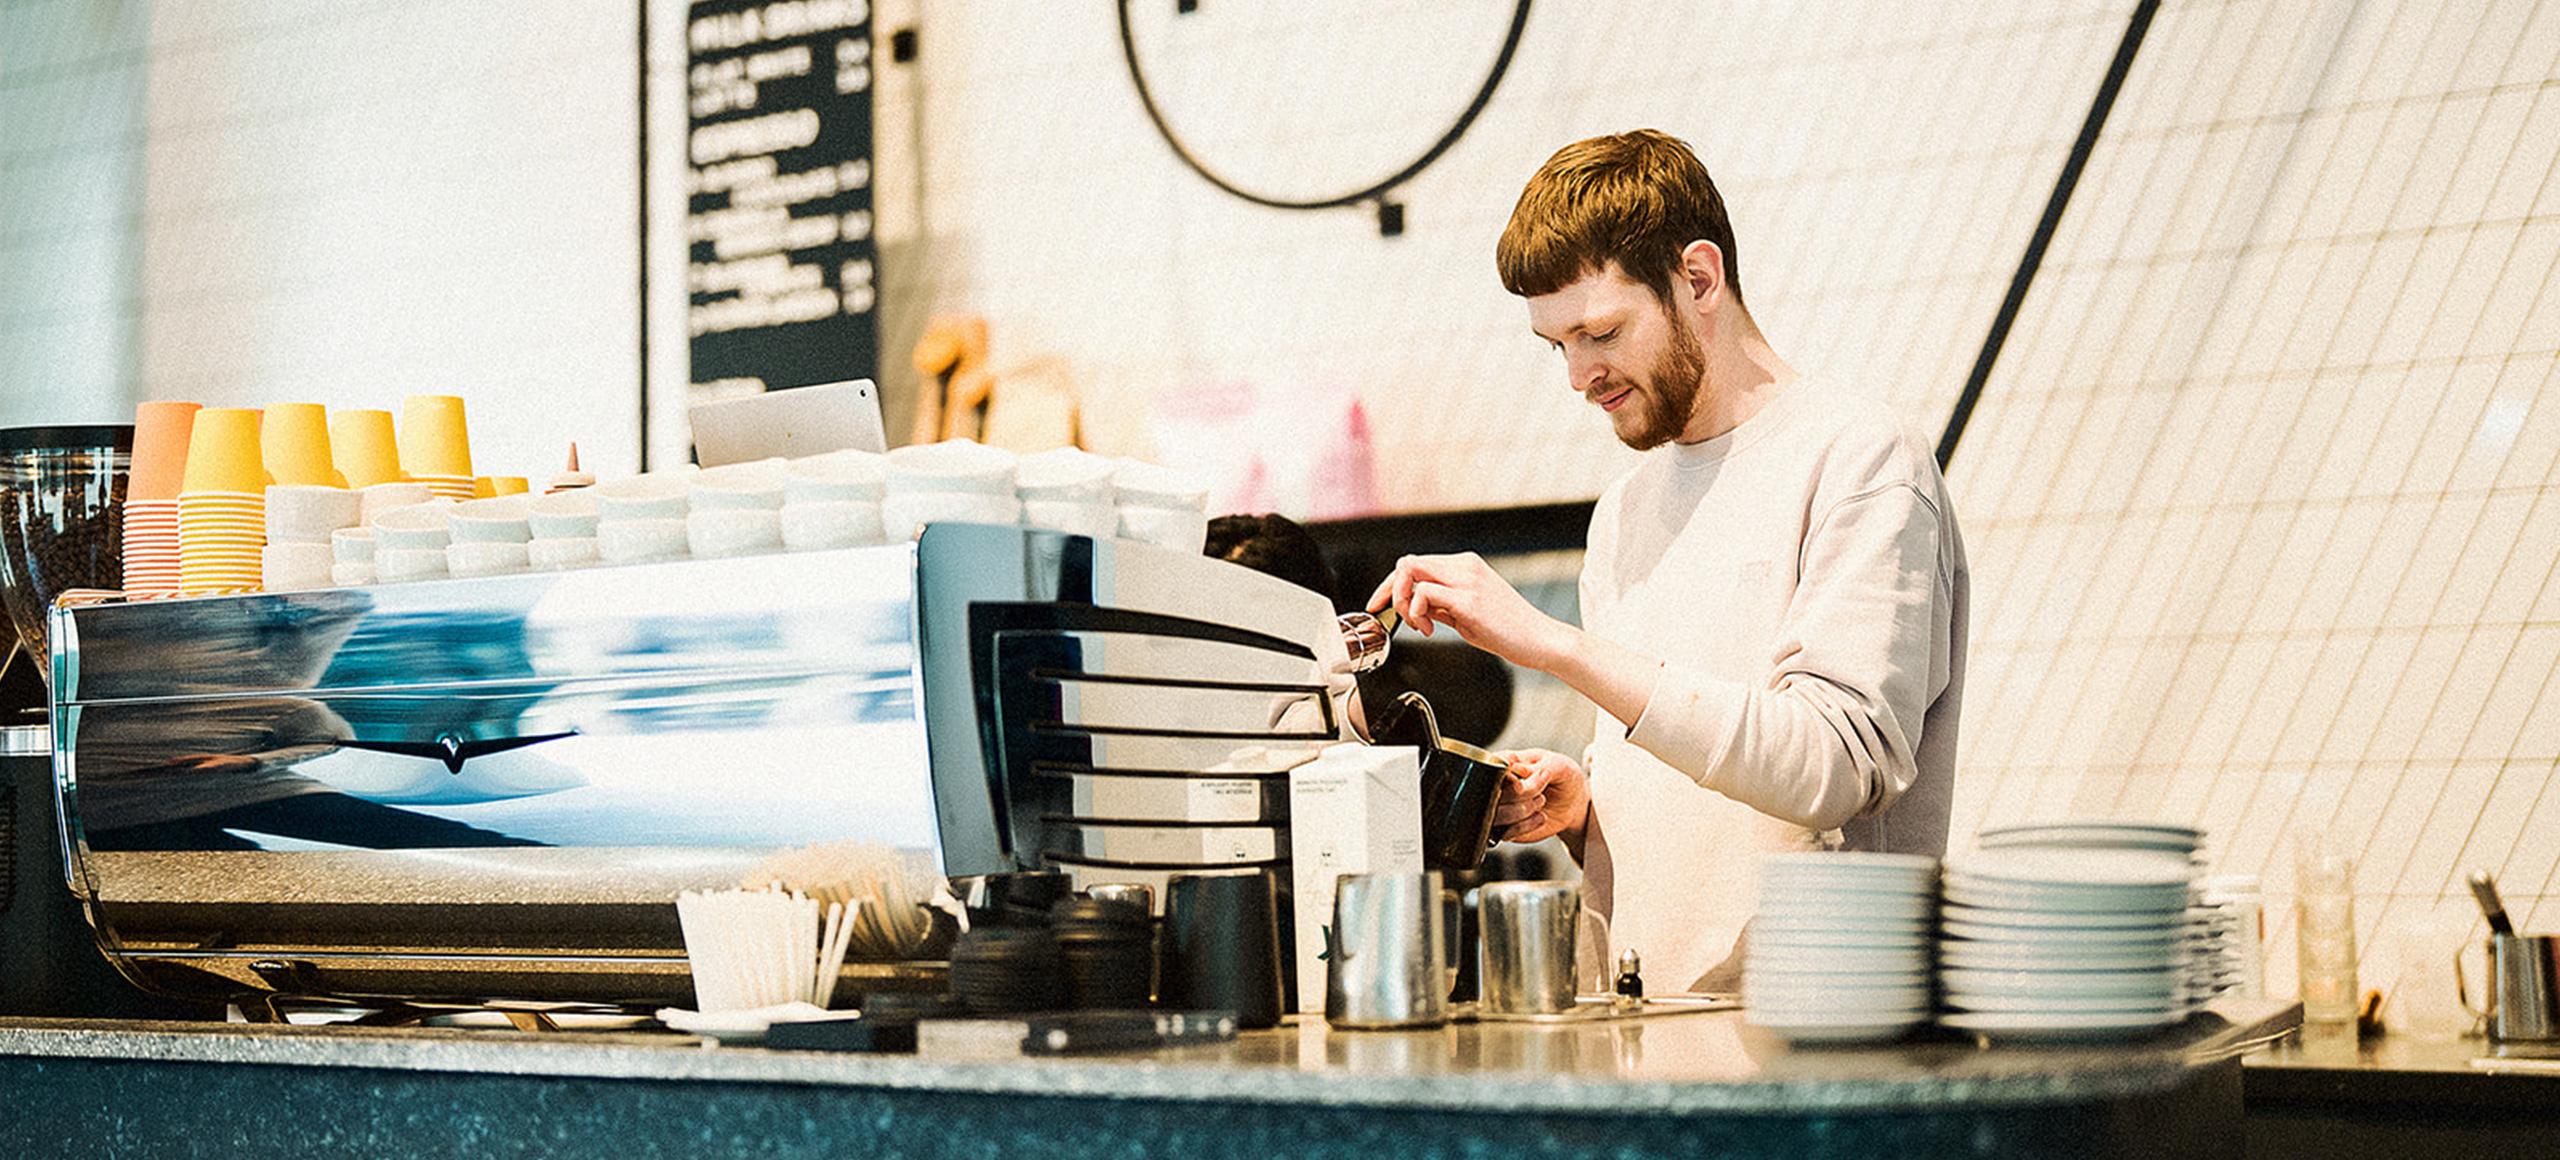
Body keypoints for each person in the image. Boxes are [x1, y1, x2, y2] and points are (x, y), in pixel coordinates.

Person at [1368, 130, 1970, 991]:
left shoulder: (1860, 459)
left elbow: (1835, 767)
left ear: (1698, 278)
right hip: (1643, 1031)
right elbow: (1696, 784)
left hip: (1809, 1034)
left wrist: (1554, 645)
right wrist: (1591, 811)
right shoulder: (1625, 510)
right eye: (1557, 344)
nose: (1579, 374)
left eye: (1600, 331)